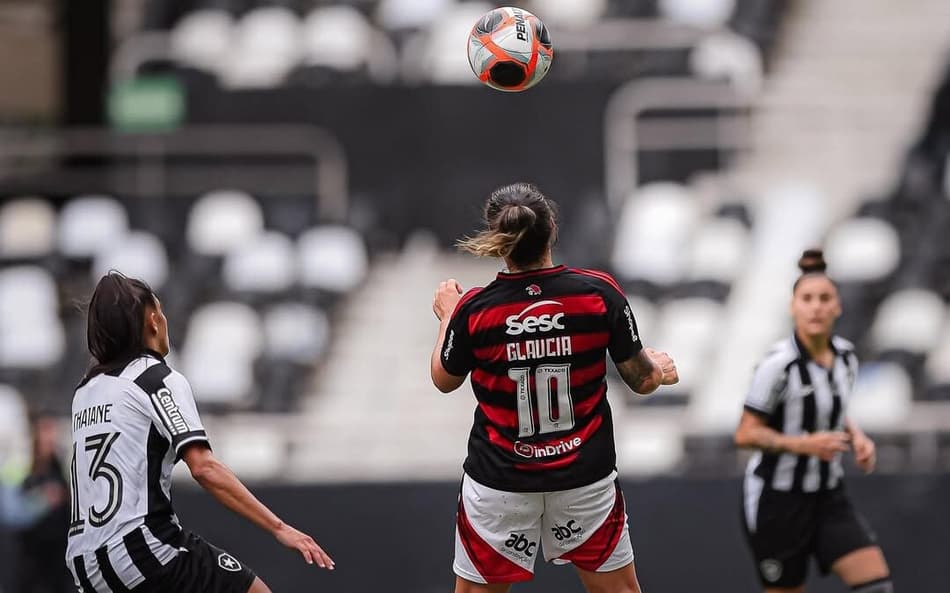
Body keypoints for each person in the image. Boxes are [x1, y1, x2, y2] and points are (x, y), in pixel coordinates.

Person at [429, 182, 678, 593]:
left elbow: (444, 379)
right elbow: (642, 380)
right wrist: (659, 369)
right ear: (553, 229)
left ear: (499, 239)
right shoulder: (597, 293)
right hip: (583, 477)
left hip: (500, 481)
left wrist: (447, 316)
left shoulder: (475, 309)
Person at [65, 271, 334, 593]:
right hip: (142, 550)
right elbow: (204, 468)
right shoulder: (154, 378)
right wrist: (280, 528)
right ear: (153, 319)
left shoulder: (85, 392)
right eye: (161, 311)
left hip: (86, 565)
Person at [734, 249, 892, 593]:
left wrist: (858, 436)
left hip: (828, 496)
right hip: (778, 501)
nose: (816, 306)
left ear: (838, 307)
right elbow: (745, 433)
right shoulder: (778, 365)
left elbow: (831, 405)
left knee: (876, 586)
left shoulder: (846, 357)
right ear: (793, 307)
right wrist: (805, 445)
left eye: (825, 298)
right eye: (807, 298)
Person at [6, 412, 74, 593]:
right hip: (32, 564)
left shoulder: (62, 469)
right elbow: (14, 513)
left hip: (58, 564)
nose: (50, 437)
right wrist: (44, 499)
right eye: (45, 431)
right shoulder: (22, 468)